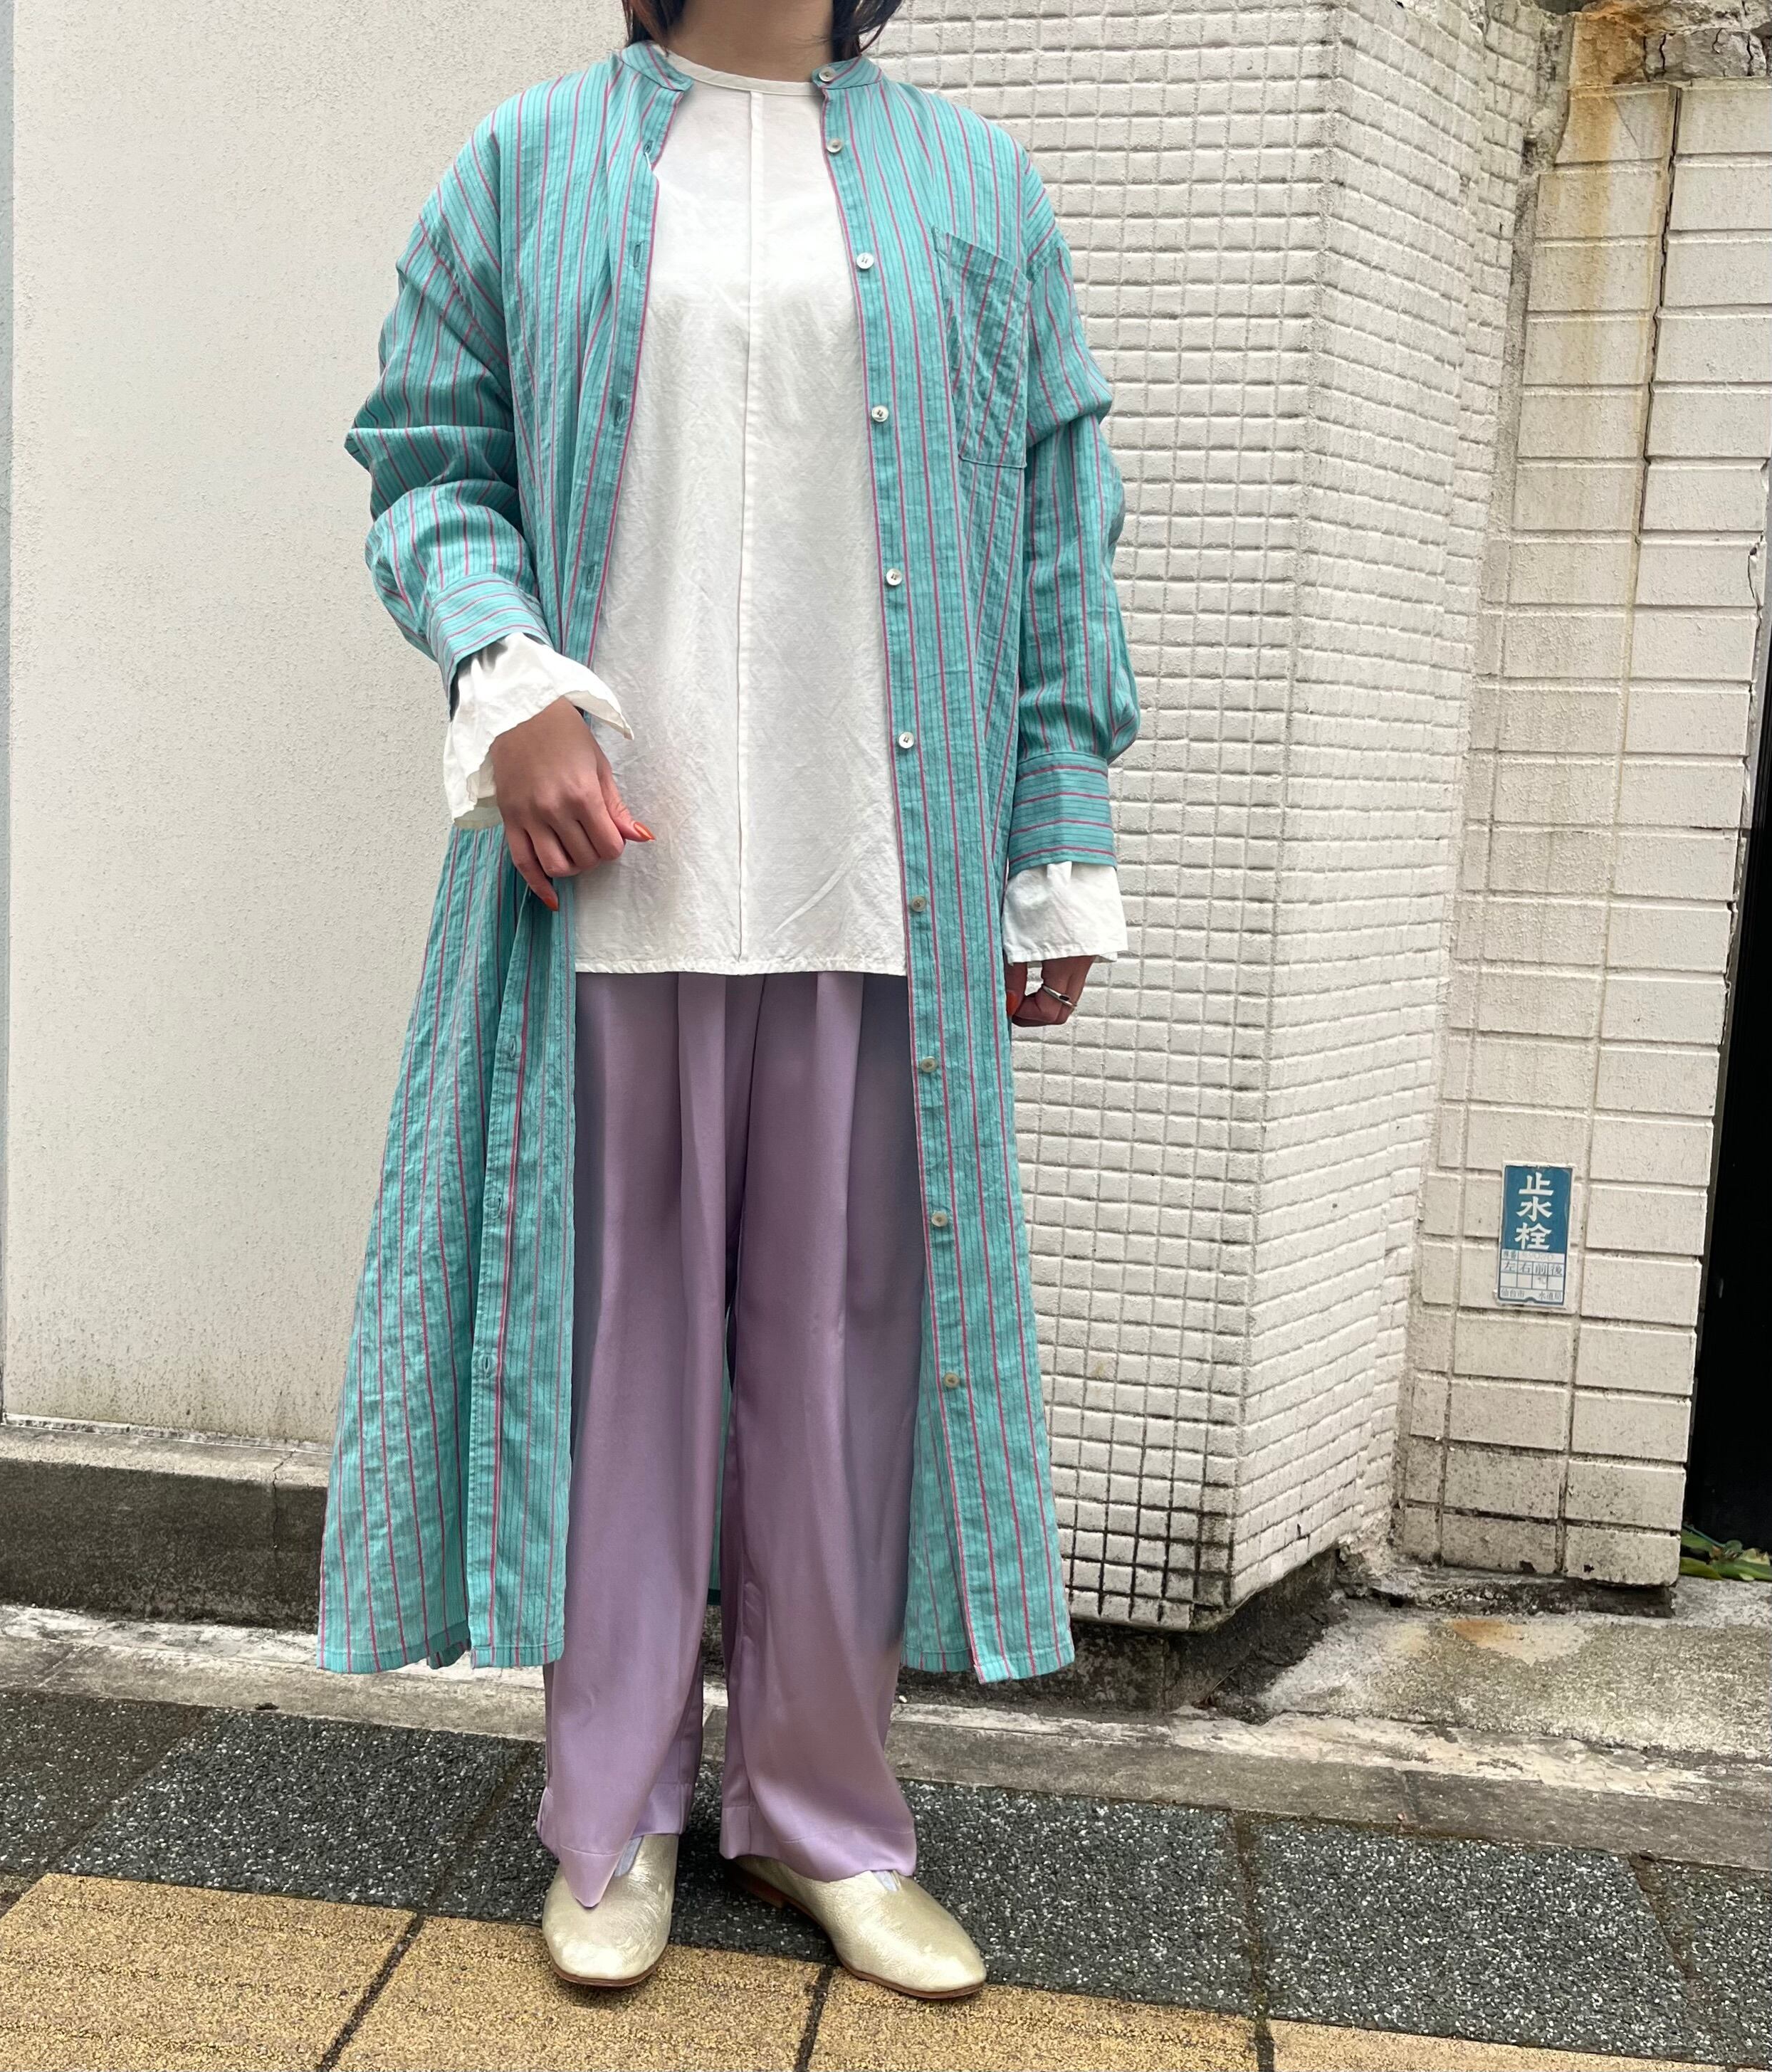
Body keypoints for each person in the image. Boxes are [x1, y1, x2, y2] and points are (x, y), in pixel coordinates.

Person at [320, 0, 1141, 2002]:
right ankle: (607, 1814)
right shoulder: (529, 163)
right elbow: (428, 463)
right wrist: (505, 679)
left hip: (877, 871)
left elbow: (1056, 529)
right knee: (617, 1359)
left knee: (849, 1362)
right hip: (616, 872)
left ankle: (823, 1816)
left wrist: (1053, 822)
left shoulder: (979, 190)